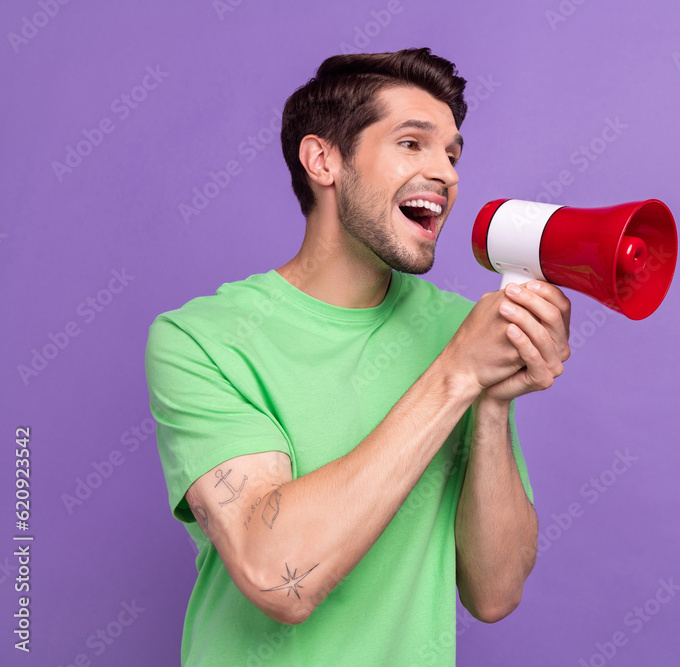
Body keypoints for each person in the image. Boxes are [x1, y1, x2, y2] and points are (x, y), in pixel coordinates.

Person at [144, 47, 572, 665]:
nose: (447, 173)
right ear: (324, 160)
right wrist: (457, 376)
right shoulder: (201, 340)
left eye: (452, 154)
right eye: (412, 143)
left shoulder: (459, 330)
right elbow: (278, 576)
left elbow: (496, 592)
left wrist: (495, 403)